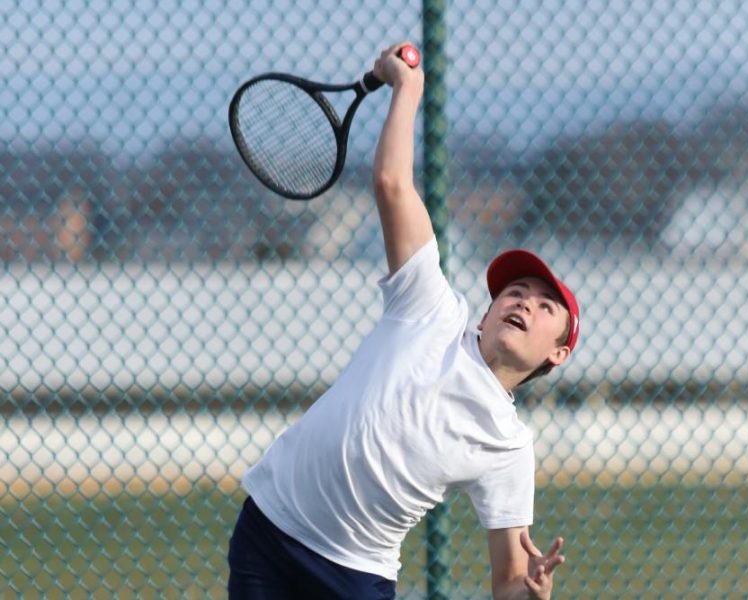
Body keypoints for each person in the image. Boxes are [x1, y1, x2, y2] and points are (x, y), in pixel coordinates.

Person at [227, 42, 580, 600]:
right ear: (487, 311)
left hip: (356, 573)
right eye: (515, 292)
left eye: (544, 307)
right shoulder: (430, 305)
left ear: (556, 354)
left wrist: (532, 594)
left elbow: (509, 581)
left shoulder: (508, 446)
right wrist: (406, 89)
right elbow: (393, 184)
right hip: (270, 526)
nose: (523, 304)